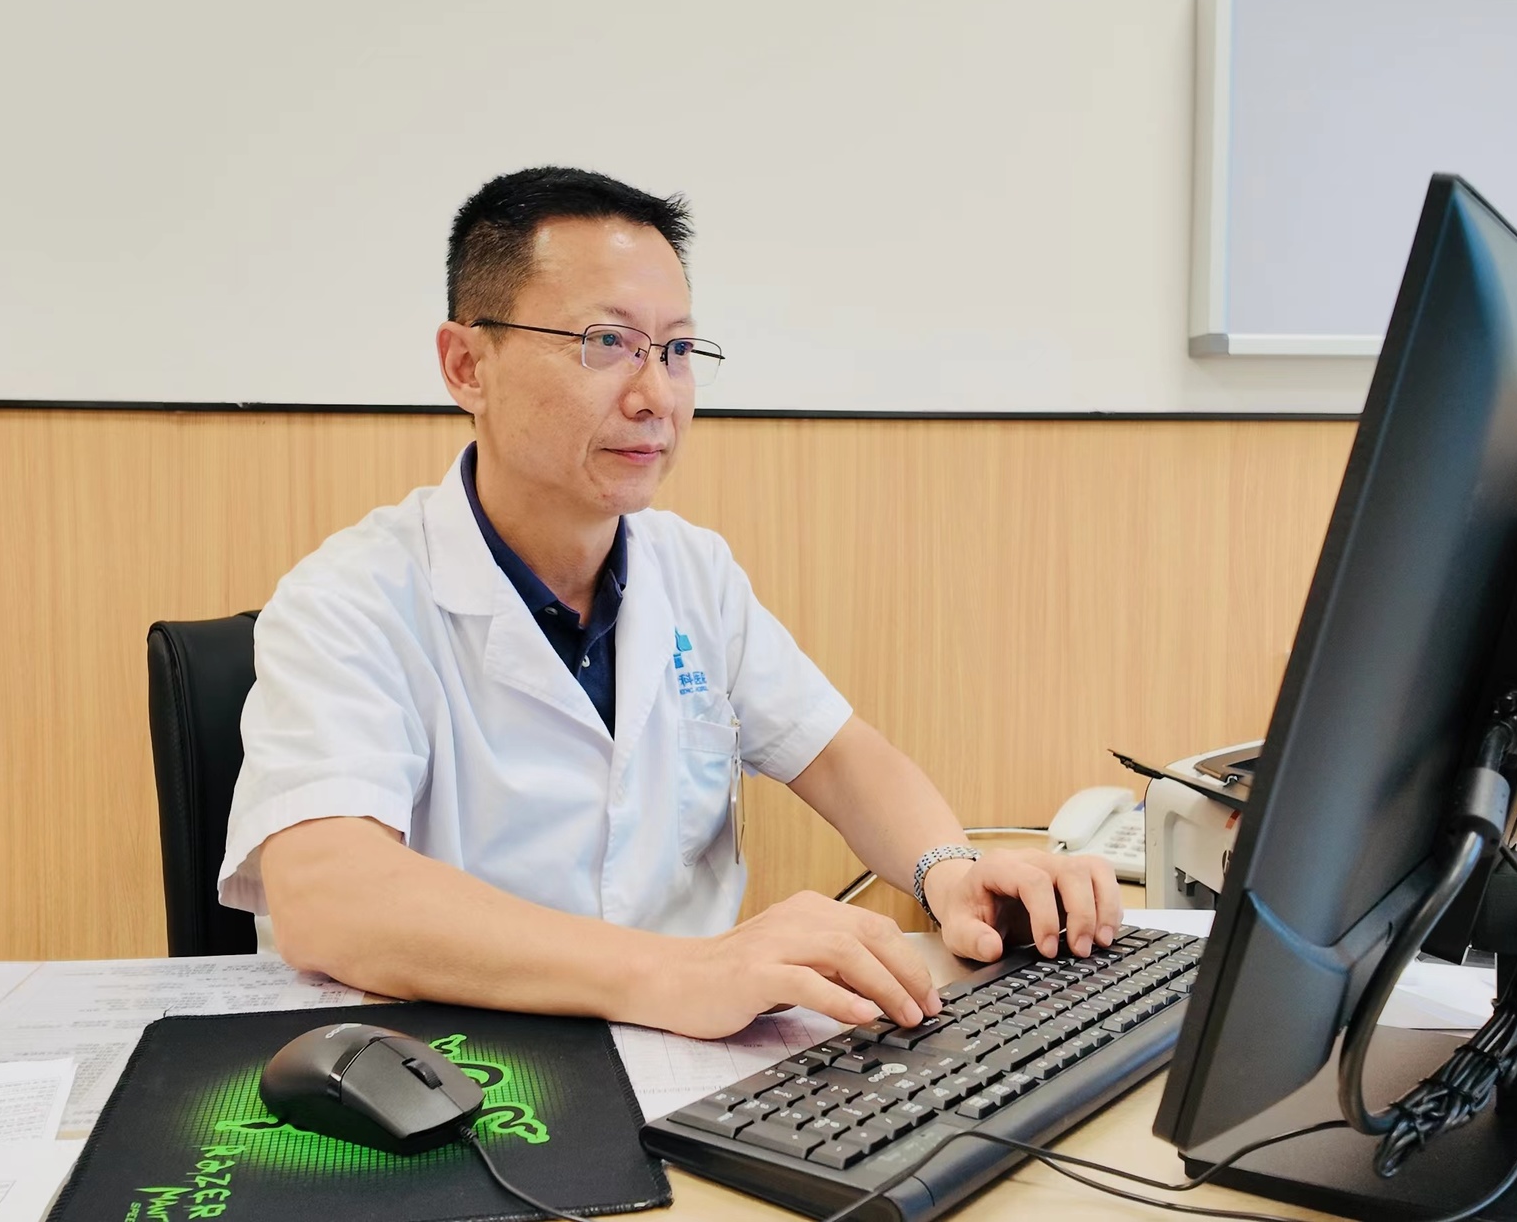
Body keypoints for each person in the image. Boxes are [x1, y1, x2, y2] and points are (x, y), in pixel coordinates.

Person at [219, 166, 1123, 1039]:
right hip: (455, 1067)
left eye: (678, 351)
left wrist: (950, 872)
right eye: (606, 344)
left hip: (692, 1062)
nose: (656, 397)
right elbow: (327, 894)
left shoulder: (693, 570)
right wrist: (678, 973)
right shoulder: (351, 599)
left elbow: (841, 755)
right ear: (467, 366)